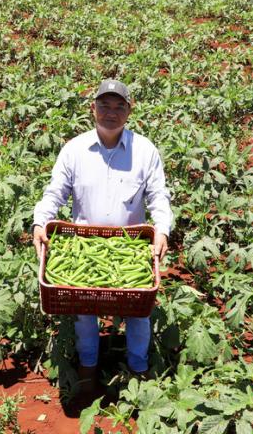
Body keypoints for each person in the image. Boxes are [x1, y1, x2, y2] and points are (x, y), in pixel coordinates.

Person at [32, 78, 172, 393]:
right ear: (92, 108)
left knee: (139, 314)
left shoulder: (145, 150)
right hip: (83, 244)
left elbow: (159, 197)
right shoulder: (75, 150)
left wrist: (162, 229)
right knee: (84, 313)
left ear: (129, 110)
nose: (111, 112)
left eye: (119, 106)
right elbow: (54, 192)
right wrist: (40, 222)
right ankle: (88, 369)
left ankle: (138, 369)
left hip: (131, 246)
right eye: (104, 105)